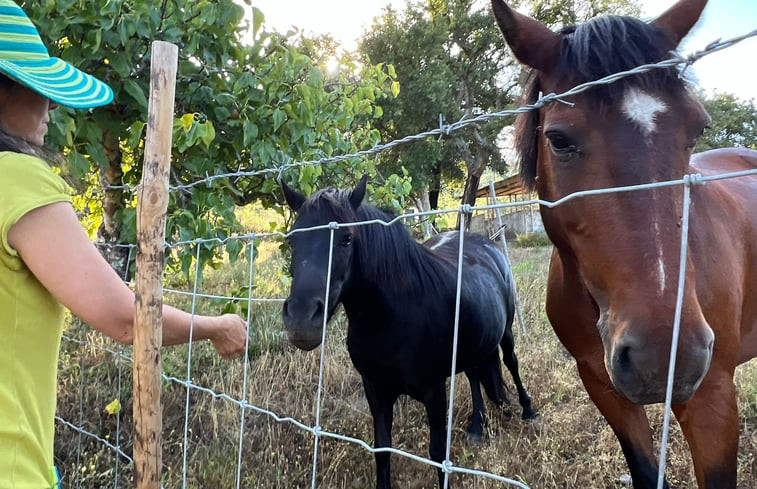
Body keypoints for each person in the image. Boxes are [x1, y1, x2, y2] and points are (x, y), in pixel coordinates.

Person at [0, 1, 249, 487]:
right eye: (34, 87)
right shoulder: (17, 179)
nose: (50, 104)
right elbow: (122, 317)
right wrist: (217, 326)